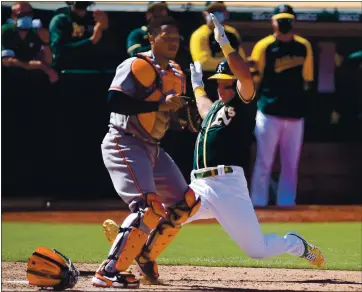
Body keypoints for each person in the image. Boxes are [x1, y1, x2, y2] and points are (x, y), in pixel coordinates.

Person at [102, 13, 325, 284]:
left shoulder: (243, 102)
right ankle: (134, 245)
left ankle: (297, 245)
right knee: (175, 213)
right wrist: (197, 84)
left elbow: (243, 75)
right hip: (201, 184)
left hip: (228, 185)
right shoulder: (217, 107)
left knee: (257, 249)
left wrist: (226, 47)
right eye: (219, 83)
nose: (222, 88)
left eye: (227, 83)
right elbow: (203, 104)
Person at [92, 16, 201, 289]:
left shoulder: (177, 73)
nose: (174, 43)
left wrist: (184, 120)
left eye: (177, 39)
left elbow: (168, 116)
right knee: (148, 208)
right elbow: (114, 101)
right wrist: (160, 106)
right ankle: (109, 270)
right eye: (167, 38)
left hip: (153, 147)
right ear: (152, 39)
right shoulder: (137, 65)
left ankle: (146, 254)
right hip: (125, 141)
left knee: (185, 203)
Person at [250, 4, 314, 207]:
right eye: (281, 20)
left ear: (294, 21)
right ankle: (258, 203)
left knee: (291, 164)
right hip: (269, 111)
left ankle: (287, 203)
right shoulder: (264, 46)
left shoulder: (303, 45)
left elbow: (308, 78)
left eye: (288, 19)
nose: (284, 23)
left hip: (295, 114)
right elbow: (255, 79)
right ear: (273, 21)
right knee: (264, 162)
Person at [1, 1, 58, 83]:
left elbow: (47, 61)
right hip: (10, 78)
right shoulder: (6, 31)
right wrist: (40, 66)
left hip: (31, 79)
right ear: (13, 16)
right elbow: (7, 61)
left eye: (29, 14)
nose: (26, 17)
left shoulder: (36, 32)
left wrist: (46, 43)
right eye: (21, 15)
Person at [49, 1, 109, 70]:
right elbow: (59, 51)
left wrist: (105, 28)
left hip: (92, 70)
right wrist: (90, 41)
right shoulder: (60, 20)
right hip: (68, 71)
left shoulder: (93, 18)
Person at [190, 1, 246, 73]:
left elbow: (242, 58)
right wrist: (233, 62)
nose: (216, 13)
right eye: (212, 11)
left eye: (220, 10)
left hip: (233, 78)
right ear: (204, 14)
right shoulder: (199, 34)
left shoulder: (232, 32)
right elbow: (204, 64)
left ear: (226, 13)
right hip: (209, 79)